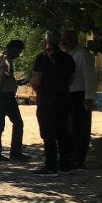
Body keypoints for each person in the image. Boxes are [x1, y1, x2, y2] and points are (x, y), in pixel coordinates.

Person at [31, 30, 76, 175]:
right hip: (64, 100)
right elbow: (71, 80)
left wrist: (33, 84)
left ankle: (50, 165)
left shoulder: (42, 57)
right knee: (63, 133)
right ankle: (64, 164)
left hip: (46, 100)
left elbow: (37, 80)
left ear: (46, 41)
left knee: (48, 134)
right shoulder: (68, 58)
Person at [0, 39, 30, 161]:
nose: (18, 54)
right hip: (5, 96)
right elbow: (3, 78)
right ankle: (15, 153)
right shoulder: (6, 61)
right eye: (19, 51)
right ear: (14, 48)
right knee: (18, 123)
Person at [61, 30, 95, 169]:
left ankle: (79, 158)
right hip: (69, 94)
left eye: (66, 40)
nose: (64, 43)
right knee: (69, 127)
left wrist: (89, 98)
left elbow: (89, 77)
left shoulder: (82, 55)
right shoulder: (68, 55)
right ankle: (70, 156)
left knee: (81, 128)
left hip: (80, 94)